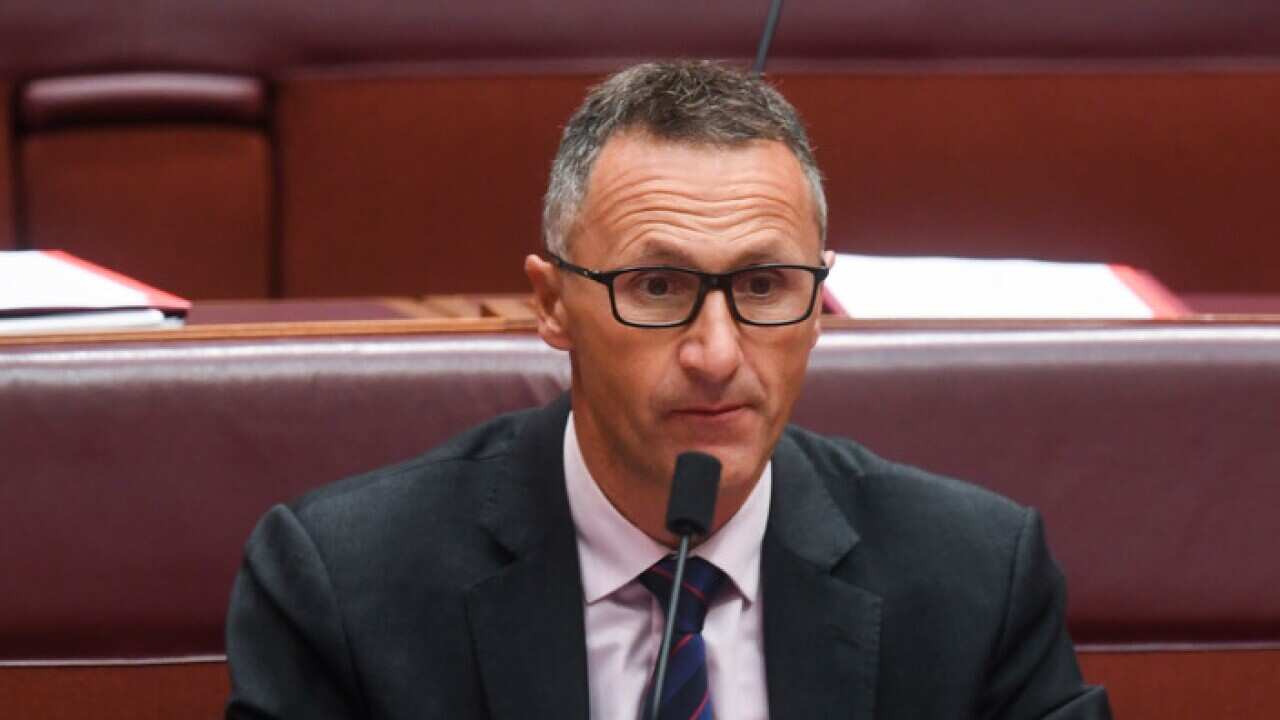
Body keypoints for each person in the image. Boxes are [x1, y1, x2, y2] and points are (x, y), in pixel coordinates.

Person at [225, 60, 1111, 719]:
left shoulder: (977, 579)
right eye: (658, 287)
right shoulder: (344, 585)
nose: (718, 354)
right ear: (551, 304)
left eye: (764, 286)